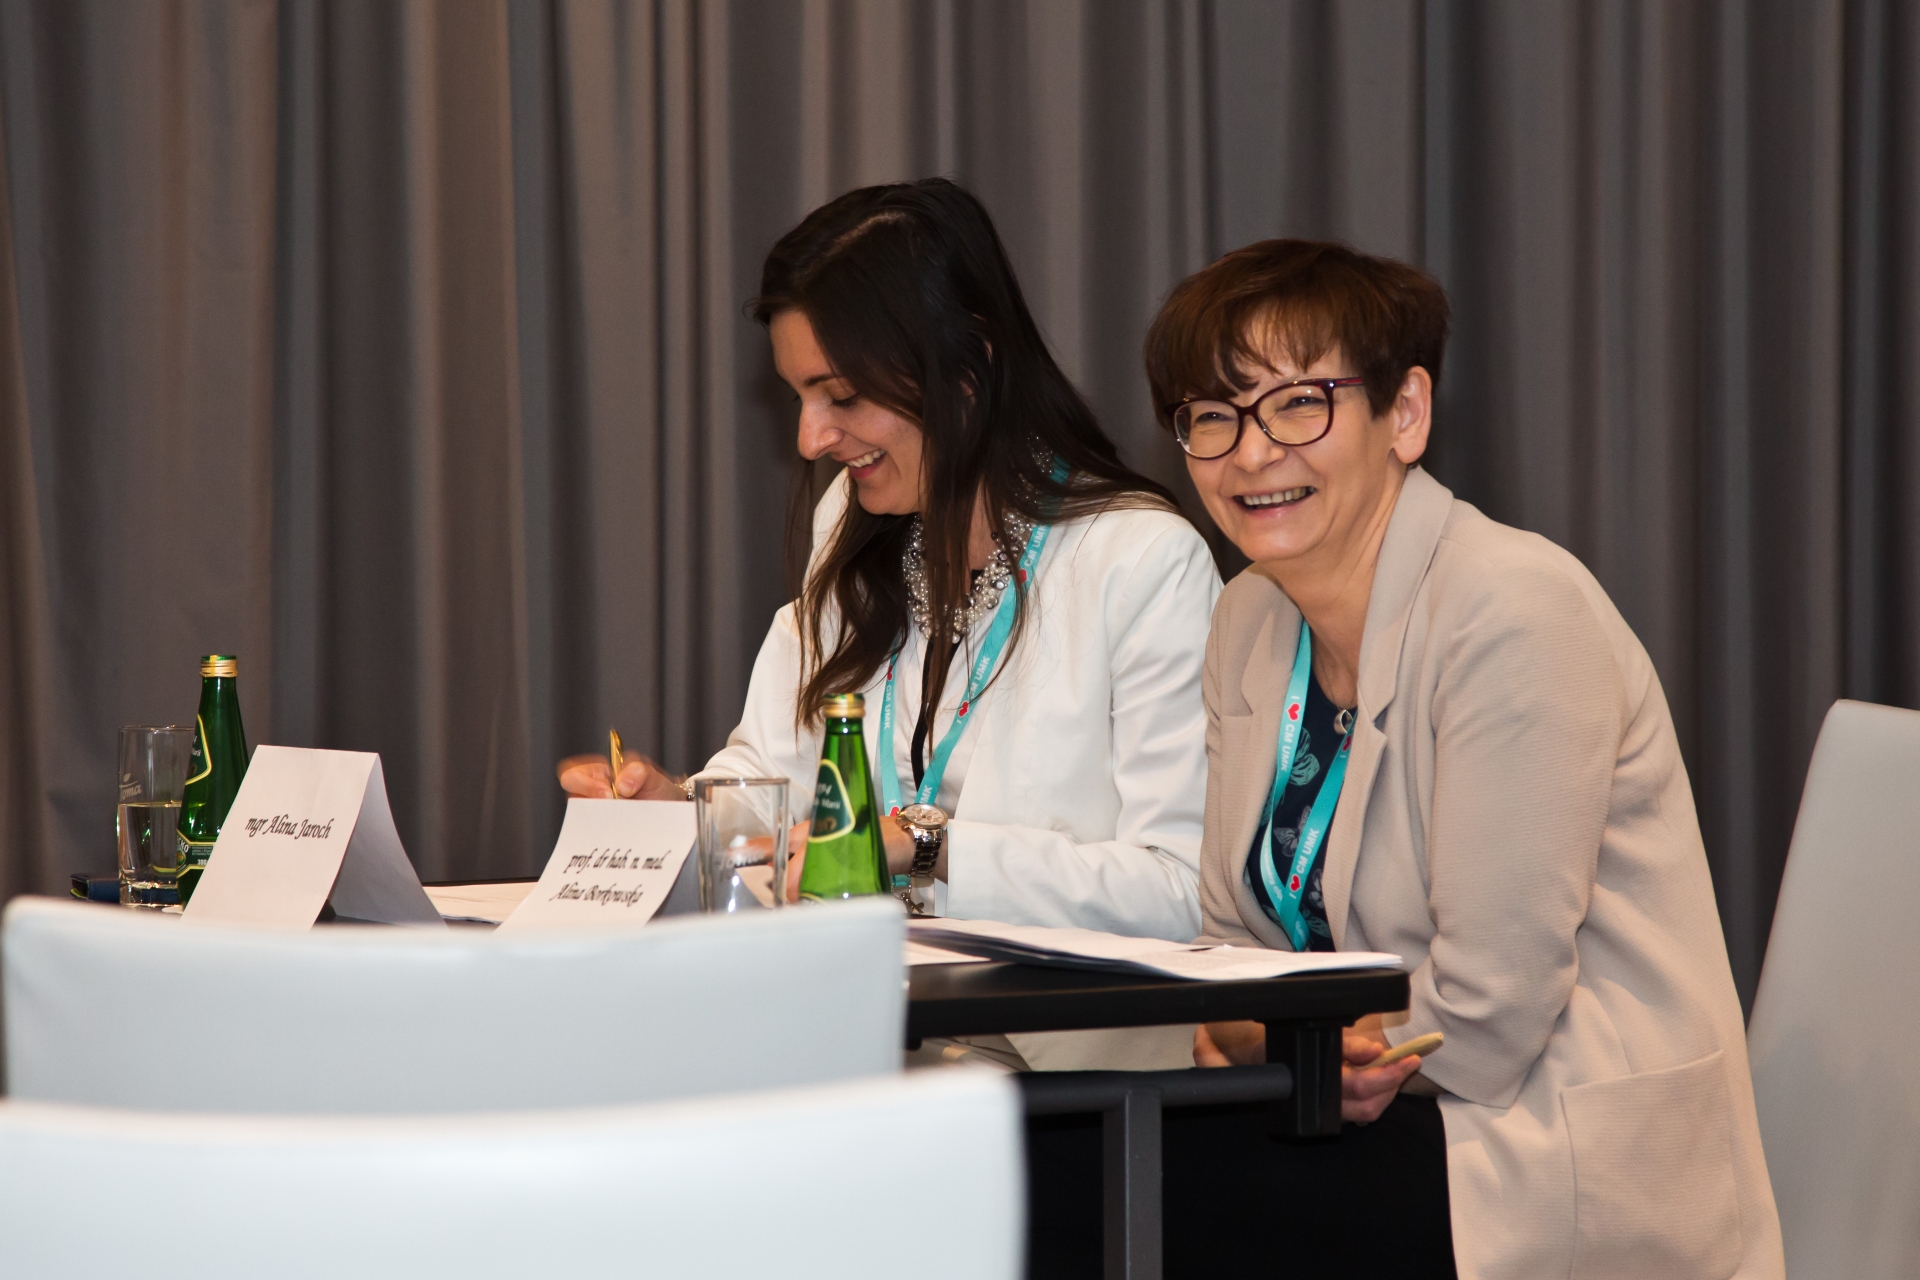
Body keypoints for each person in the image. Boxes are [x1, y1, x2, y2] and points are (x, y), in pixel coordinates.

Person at [1146, 240, 1784, 1277]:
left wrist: (1282, 1040)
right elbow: (1224, 957)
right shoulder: (1248, 618)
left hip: (1544, 1150)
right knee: (1070, 1157)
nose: (1251, 453)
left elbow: (1489, 1014)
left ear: (1405, 413)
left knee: (1099, 1191)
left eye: (1298, 403)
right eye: (1212, 416)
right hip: (1361, 1111)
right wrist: (1281, 1042)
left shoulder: (1513, 610)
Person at [559, 179, 1219, 1066]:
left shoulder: (1140, 560)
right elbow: (777, 779)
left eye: (839, 395)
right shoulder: (852, 522)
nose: (810, 438)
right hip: (864, 1039)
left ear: (969, 363)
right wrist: (677, 811)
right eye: (799, 396)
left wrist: (926, 849)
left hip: (1065, 1084)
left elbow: (1180, 892)